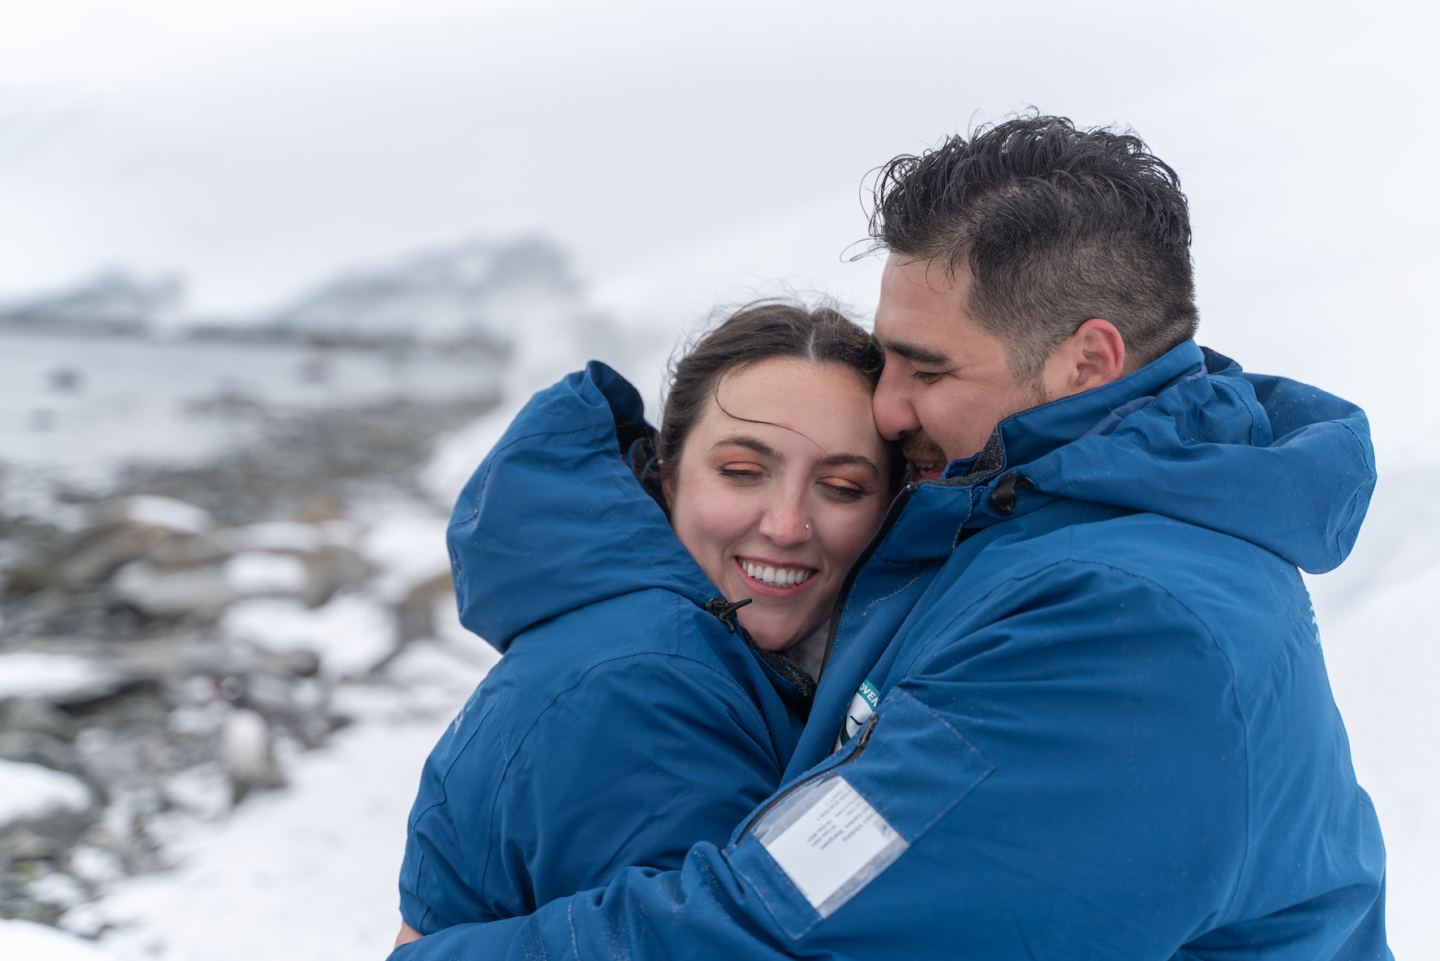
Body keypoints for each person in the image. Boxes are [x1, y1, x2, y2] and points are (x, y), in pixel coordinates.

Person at [389, 115, 1390, 960]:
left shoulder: (1124, 620)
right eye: (742, 468)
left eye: (927, 366)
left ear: (1089, 358)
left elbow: (789, 924)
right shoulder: (1037, 525)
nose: (893, 404)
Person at [393, 303, 895, 944]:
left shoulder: (687, 644)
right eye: (742, 473)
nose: (786, 525)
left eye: (844, 486)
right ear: (665, 478)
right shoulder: (646, 680)